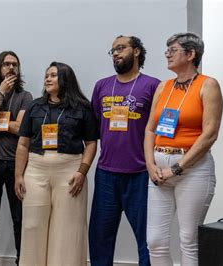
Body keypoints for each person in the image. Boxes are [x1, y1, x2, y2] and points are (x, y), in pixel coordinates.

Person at [144, 32, 223, 265]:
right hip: (158, 169)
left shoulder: (208, 85)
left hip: (193, 170)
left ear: (191, 54)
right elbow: (150, 129)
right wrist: (150, 165)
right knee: (155, 240)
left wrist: (177, 168)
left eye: (173, 50)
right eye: (167, 50)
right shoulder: (163, 87)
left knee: (188, 240)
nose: (167, 54)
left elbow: (210, 134)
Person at [15, 62, 98, 265]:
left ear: (65, 79)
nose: (48, 79)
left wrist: (82, 171)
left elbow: (91, 144)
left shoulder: (83, 107)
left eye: (53, 75)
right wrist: (18, 175)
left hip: (70, 170)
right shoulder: (35, 106)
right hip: (35, 169)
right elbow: (23, 144)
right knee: (33, 225)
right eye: (46, 75)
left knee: (66, 229)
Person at [89, 35, 160, 266]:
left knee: (147, 239)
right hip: (106, 173)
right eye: (113, 51)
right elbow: (95, 127)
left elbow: (158, 129)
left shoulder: (153, 85)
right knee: (100, 237)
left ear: (137, 51)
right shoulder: (102, 85)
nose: (116, 54)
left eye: (121, 48)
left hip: (140, 174)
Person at [0, 51, 33, 266]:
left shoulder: (25, 96)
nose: (10, 68)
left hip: (15, 165)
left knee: (19, 217)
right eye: (6, 64)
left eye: (14, 65)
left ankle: (23, 260)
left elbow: (21, 129)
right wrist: (0, 93)